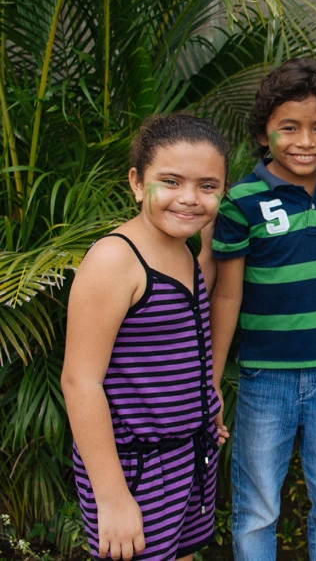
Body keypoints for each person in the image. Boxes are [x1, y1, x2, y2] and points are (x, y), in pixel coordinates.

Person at [210, 57, 316, 560]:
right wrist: (212, 375)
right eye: (289, 128)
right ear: (262, 134)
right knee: (256, 509)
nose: (306, 141)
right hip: (264, 377)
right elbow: (227, 294)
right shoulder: (242, 202)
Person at [62, 113, 229, 561]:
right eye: (170, 182)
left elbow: (182, 339)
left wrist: (205, 405)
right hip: (134, 468)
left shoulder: (183, 248)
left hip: (188, 452)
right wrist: (112, 496)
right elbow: (81, 383)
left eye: (208, 186)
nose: (189, 198)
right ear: (137, 183)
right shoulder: (116, 261)